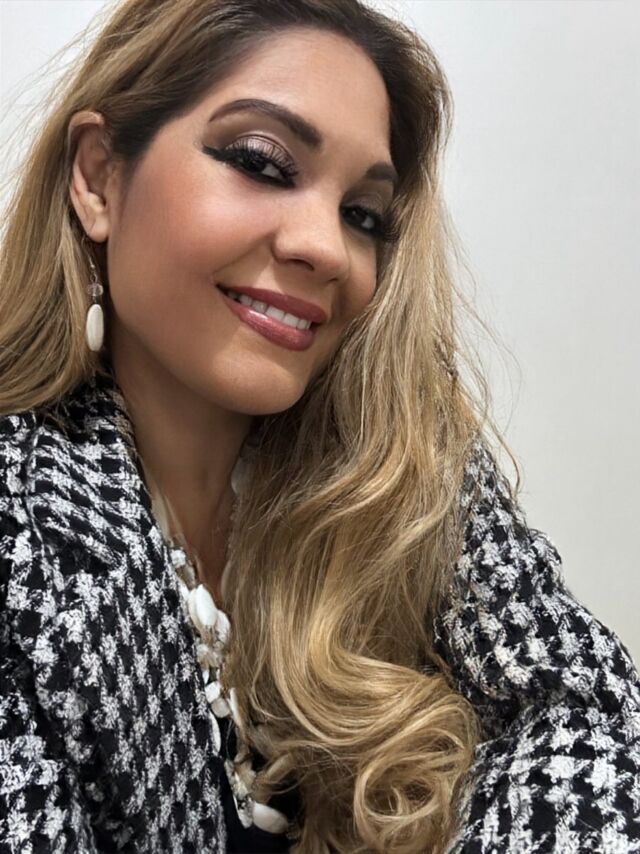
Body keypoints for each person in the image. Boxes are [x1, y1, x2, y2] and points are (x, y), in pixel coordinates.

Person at [0, 0, 638, 851]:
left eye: (362, 215)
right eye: (262, 163)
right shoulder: (24, 539)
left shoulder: (398, 466)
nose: (329, 250)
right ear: (98, 178)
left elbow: (587, 720)